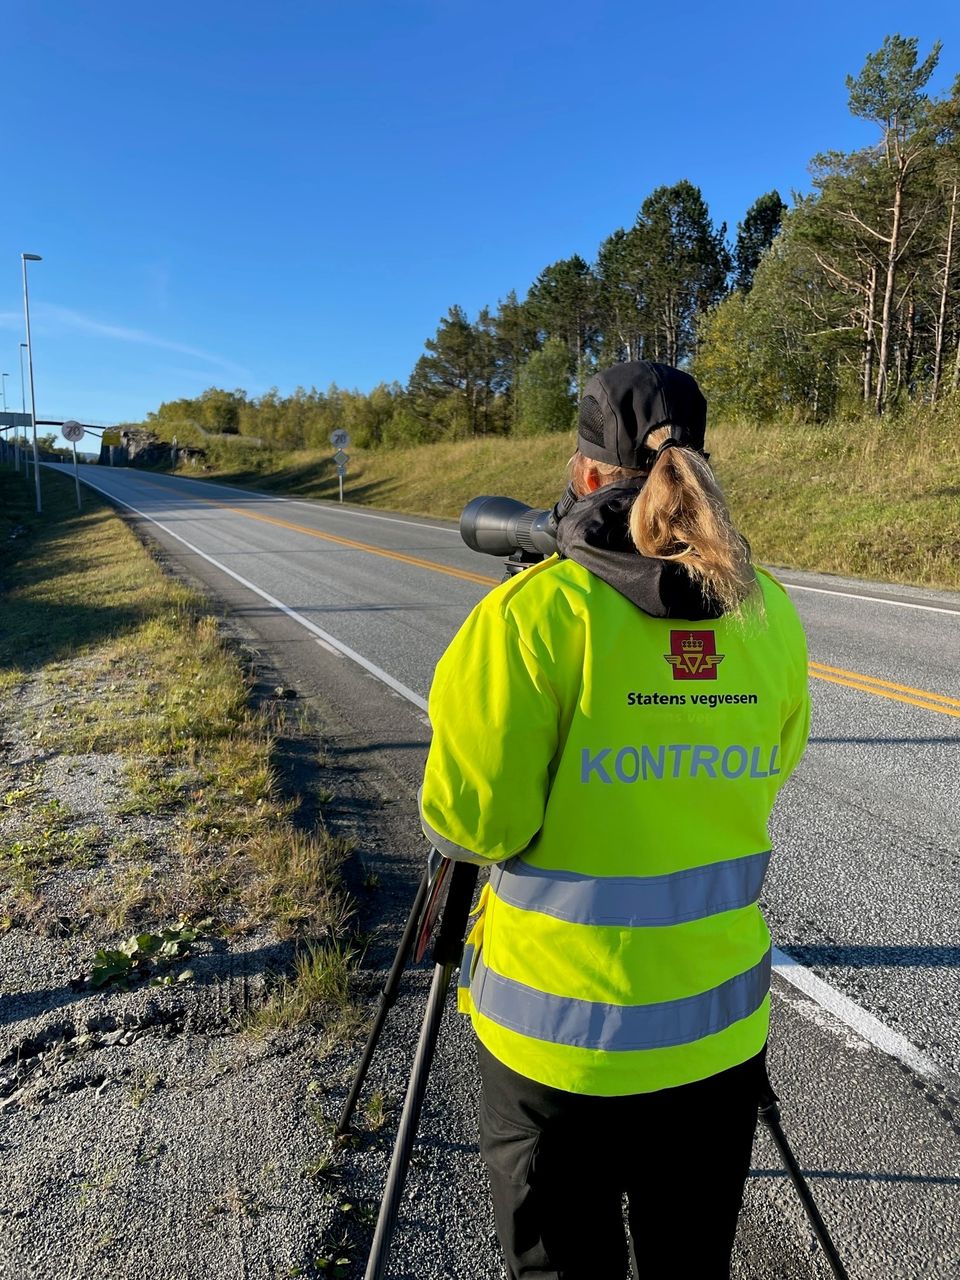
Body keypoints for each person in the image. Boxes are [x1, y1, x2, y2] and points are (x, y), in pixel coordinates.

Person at [418, 361, 811, 1279]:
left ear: (587, 474)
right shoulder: (769, 615)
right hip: (716, 1046)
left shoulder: (531, 617)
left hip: (558, 1056)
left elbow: (471, 824)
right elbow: (767, 773)